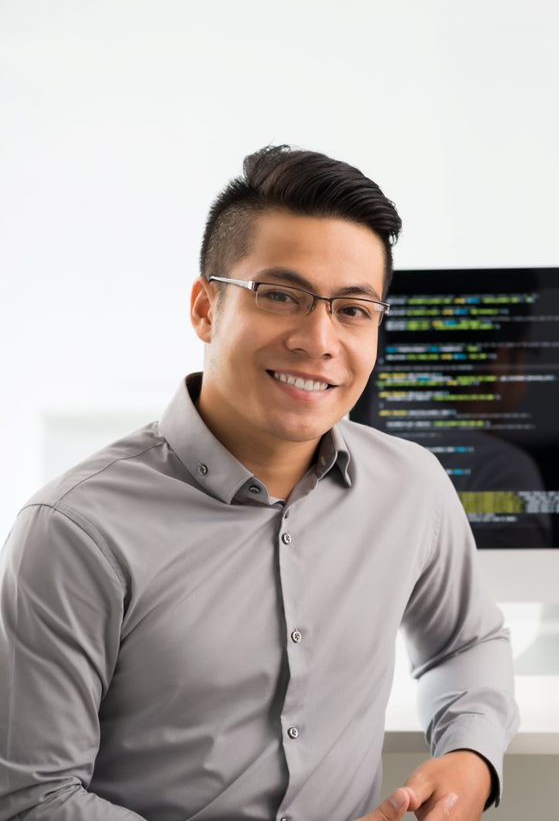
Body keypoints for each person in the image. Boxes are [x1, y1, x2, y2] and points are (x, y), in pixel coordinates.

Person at [0, 146, 518, 820]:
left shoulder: (411, 486)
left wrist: (470, 755)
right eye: (280, 296)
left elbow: (467, 642)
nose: (318, 340)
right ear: (205, 308)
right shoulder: (74, 529)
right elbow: (34, 799)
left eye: (353, 309)